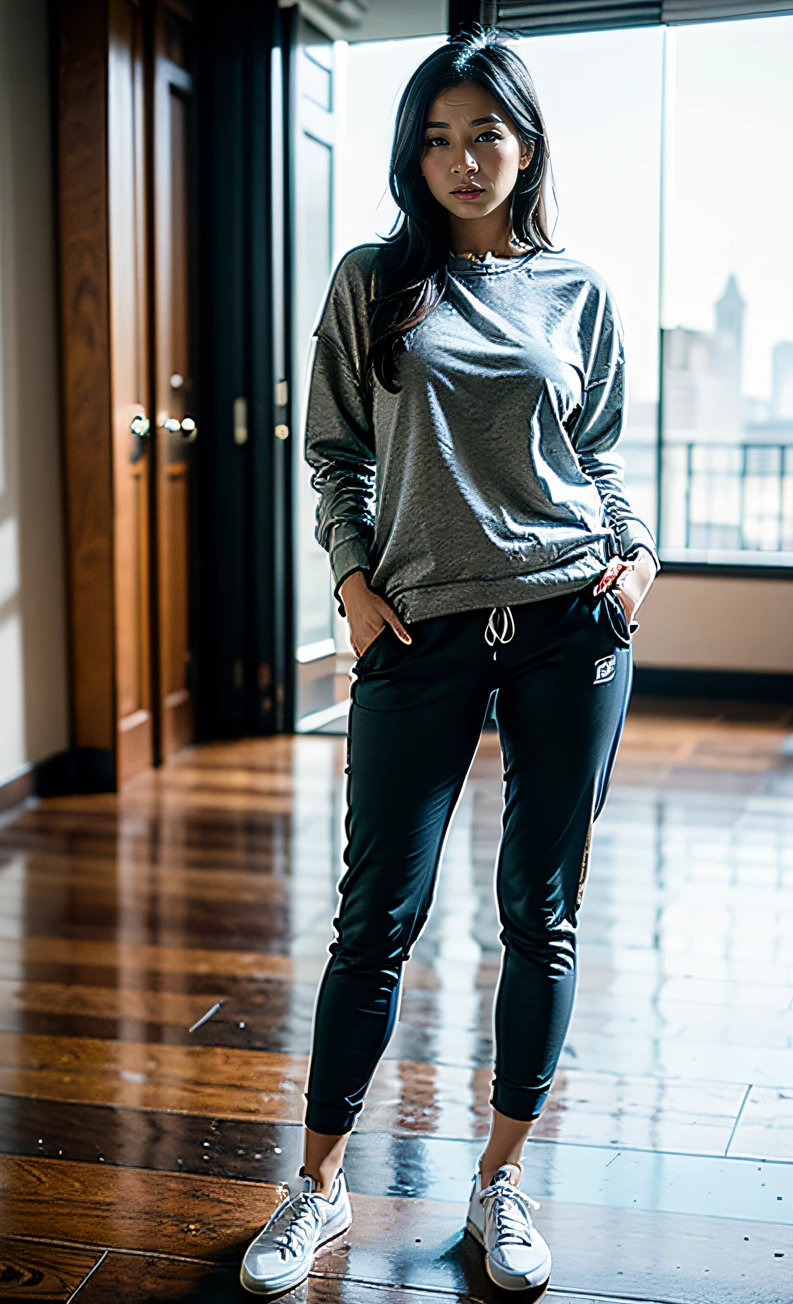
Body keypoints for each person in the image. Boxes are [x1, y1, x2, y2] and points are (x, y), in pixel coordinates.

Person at [240, 27, 658, 1297]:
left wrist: (635, 557)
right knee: (378, 913)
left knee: (539, 910)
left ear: (525, 145)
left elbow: (599, 457)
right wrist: (355, 589)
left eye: (485, 132)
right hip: (413, 631)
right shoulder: (373, 280)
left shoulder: (577, 289)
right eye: (435, 135)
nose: (461, 157)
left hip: (568, 621)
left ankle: (500, 1181)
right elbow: (333, 457)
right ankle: (314, 1185)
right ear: (409, 153)